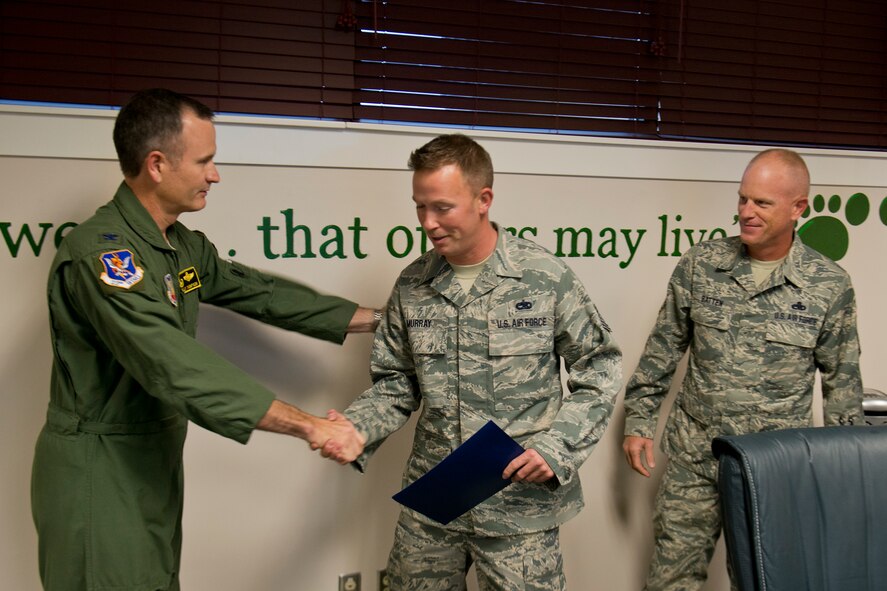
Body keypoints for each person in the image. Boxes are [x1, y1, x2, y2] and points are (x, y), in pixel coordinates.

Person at [30, 88, 371, 591]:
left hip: (152, 461)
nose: (215, 175)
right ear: (157, 165)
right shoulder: (102, 257)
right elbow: (174, 365)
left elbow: (263, 294)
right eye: (204, 161)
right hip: (99, 469)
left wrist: (378, 320)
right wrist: (310, 426)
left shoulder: (179, 245)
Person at [325, 133, 622, 590]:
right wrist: (357, 426)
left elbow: (599, 368)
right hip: (435, 501)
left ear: (484, 200)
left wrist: (557, 448)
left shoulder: (542, 276)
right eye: (420, 207)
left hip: (517, 507)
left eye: (442, 207)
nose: (428, 222)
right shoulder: (413, 284)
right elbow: (396, 383)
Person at [622, 148, 864, 590]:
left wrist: (842, 474)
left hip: (773, 466)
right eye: (742, 199)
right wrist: (640, 420)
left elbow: (842, 383)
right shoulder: (701, 264)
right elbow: (663, 347)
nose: (746, 212)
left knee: (763, 581)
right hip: (695, 455)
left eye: (762, 203)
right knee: (670, 580)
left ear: (798, 208)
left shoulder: (828, 284)